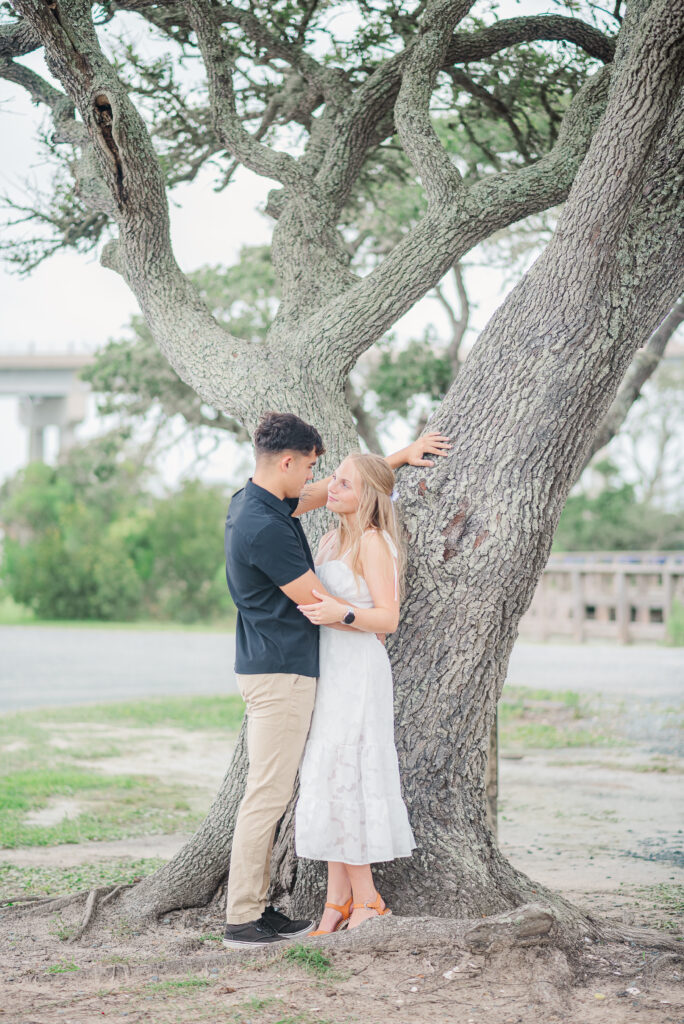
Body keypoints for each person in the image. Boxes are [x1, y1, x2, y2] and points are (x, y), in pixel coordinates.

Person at [223, 411, 450, 948]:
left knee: (310, 781)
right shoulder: (266, 526)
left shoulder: (255, 503)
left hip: (307, 669)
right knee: (268, 795)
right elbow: (320, 603)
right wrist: (363, 612)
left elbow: (336, 492)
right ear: (287, 462)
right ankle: (243, 918)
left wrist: (393, 461)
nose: (315, 481)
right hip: (283, 672)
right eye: (308, 469)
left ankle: (326, 901)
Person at [294, 453, 414, 932]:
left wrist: (341, 614)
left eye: (344, 482)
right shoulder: (328, 540)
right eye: (332, 478)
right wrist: (399, 456)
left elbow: (388, 618)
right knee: (328, 775)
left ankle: (368, 899)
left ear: (366, 495)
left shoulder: (372, 542)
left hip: (359, 670)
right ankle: (336, 900)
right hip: (329, 668)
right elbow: (299, 497)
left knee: (350, 774)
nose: (331, 487)